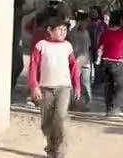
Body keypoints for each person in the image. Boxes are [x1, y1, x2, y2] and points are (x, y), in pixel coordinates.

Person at [28, 14, 80, 158]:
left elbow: (73, 66)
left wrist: (77, 85)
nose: (63, 32)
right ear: (49, 30)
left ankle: (59, 151)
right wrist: (34, 86)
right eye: (59, 29)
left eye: (65, 30)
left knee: (61, 118)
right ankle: (51, 145)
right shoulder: (41, 46)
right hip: (46, 88)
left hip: (64, 87)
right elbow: (33, 66)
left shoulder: (67, 46)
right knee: (46, 122)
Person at [97, 10, 123, 117]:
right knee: (121, 86)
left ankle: (109, 108)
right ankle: (115, 108)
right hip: (116, 62)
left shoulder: (105, 33)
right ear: (120, 21)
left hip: (105, 61)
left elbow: (100, 44)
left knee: (109, 86)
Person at [68, 11, 92, 111]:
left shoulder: (86, 32)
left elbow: (89, 45)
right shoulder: (73, 32)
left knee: (86, 82)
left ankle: (85, 103)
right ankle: (73, 103)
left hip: (85, 59)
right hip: (76, 60)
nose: (87, 24)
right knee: (74, 82)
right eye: (85, 21)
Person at [12, 0, 34, 96]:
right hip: (15, 43)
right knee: (18, 66)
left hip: (17, 42)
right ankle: (10, 86)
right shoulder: (15, 13)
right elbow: (24, 12)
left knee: (19, 66)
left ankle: (11, 85)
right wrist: (35, 8)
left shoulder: (17, 13)